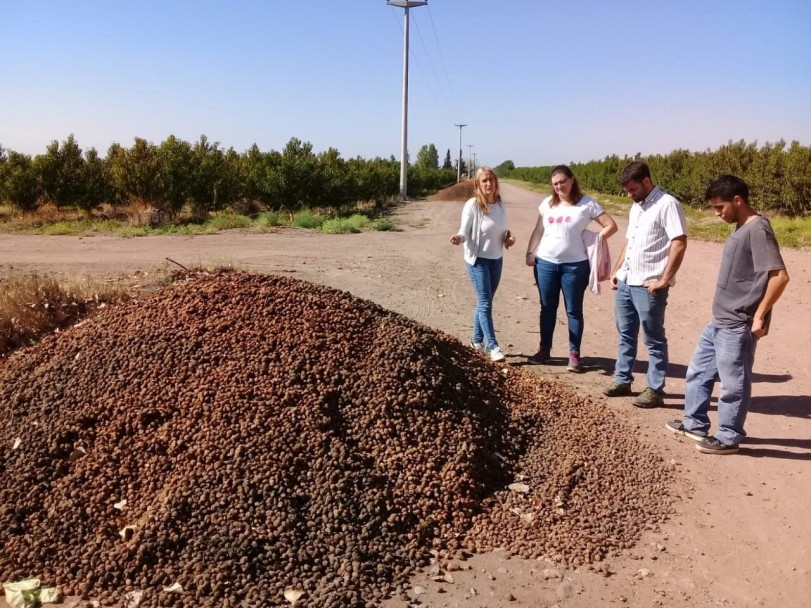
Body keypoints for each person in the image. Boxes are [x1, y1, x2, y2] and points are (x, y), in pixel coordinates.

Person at [666, 175, 789, 454]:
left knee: (733, 384)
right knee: (698, 373)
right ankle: (694, 423)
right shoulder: (740, 227)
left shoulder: (758, 228)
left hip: (738, 324)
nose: (717, 214)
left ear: (738, 200)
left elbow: (780, 276)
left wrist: (760, 315)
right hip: (719, 321)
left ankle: (729, 436)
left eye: (720, 208)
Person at [604, 161, 687, 407]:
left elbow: (679, 242)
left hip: (649, 285)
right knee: (625, 334)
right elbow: (630, 242)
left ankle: (655, 389)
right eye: (627, 191)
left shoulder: (667, 204)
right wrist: (617, 270)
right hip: (628, 281)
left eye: (633, 190)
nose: (630, 195)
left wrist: (665, 279)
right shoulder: (636, 208)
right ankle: (622, 379)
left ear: (647, 182)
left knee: (653, 338)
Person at [524, 165, 618, 372]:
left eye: (562, 182)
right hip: (545, 264)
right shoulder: (547, 204)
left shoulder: (587, 204)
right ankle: (544, 350)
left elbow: (611, 225)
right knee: (547, 308)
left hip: (575, 267)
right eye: (555, 184)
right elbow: (538, 230)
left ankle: (574, 354)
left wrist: (595, 240)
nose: (559, 187)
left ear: (571, 180)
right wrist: (530, 253)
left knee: (573, 310)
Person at [450, 167, 516, 362]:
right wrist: (459, 238)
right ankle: (493, 346)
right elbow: (464, 231)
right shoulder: (473, 205)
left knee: (484, 302)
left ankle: (476, 341)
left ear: (496, 182)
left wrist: (508, 238)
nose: (488, 184)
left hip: (497, 259)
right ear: (478, 184)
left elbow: (502, 229)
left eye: (491, 180)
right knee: (486, 302)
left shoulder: (500, 204)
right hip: (477, 260)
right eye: (484, 181)